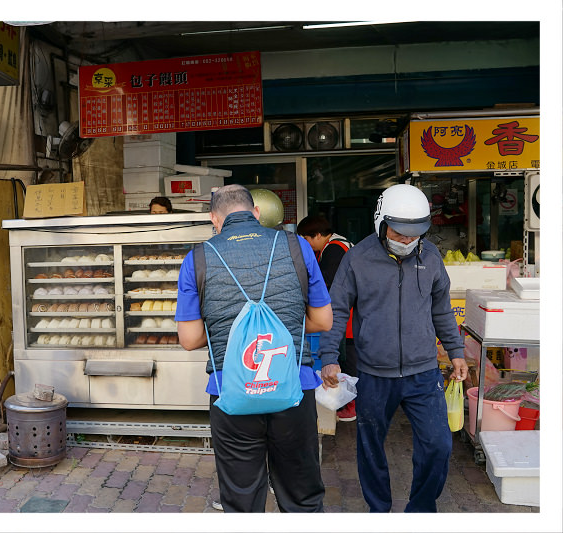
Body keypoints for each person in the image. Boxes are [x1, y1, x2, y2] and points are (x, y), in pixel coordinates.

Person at [176, 184, 333, 513]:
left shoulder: (198, 258)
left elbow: (189, 338)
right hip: (293, 387)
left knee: (242, 498)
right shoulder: (298, 247)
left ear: (214, 219)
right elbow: (323, 321)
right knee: (302, 494)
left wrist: (229, 331)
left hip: (231, 393)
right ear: (256, 213)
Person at [318, 183, 468, 513]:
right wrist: (329, 358)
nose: (407, 240)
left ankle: (421, 509)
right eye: (400, 233)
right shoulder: (357, 259)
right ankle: (379, 509)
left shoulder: (430, 257)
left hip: (423, 373)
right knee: (370, 447)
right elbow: (337, 309)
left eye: (414, 234)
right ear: (381, 222)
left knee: (438, 445)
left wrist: (456, 351)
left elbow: (441, 308)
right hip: (374, 374)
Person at [296, 214, 357, 421]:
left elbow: (326, 283)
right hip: (347, 313)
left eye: (306, 239)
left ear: (318, 235)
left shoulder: (335, 249)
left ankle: (350, 407)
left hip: (346, 315)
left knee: (347, 359)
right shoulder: (338, 244)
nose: (305, 244)